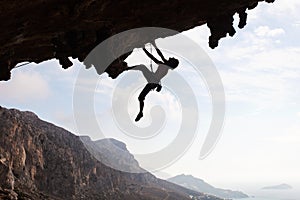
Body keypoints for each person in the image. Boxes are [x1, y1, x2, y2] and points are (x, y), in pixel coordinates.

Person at [124, 42, 179, 121]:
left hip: (153, 82)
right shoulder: (165, 65)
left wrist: (145, 48)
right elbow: (159, 55)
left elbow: (154, 57)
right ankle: (141, 112)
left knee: (141, 96)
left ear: (171, 63)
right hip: (153, 81)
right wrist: (153, 45)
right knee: (142, 68)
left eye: (172, 59)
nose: (171, 57)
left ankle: (141, 112)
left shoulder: (164, 65)